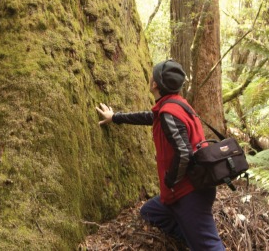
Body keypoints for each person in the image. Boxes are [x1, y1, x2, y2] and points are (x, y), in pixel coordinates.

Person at [96, 59, 225, 250]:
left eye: (152, 75)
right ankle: (192, 238)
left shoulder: (169, 112)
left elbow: (184, 154)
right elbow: (151, 118)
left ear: (155, 83)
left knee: (209, 246)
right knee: (151, 212)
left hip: (190, 192)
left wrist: (170, 181)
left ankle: (197, 240)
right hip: (184, 191)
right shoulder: (175, 106)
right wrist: (115, 117)